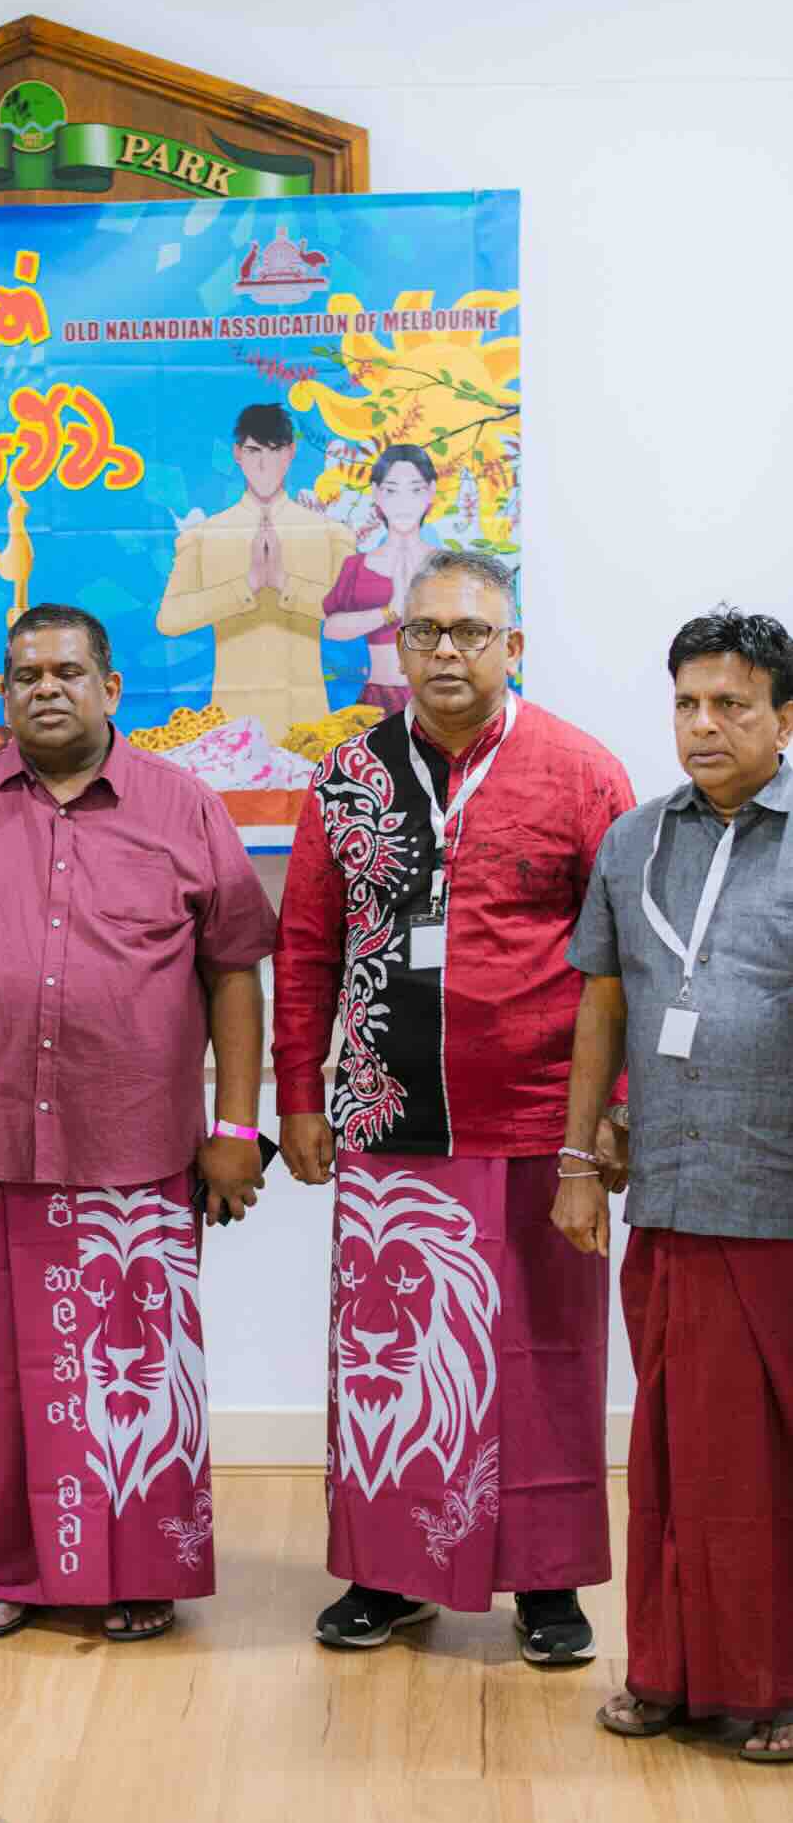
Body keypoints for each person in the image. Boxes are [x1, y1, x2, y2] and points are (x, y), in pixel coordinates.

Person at [0, 602, 275, 1642]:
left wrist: (237, 1123)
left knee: (137, 1368)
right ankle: (11, 1565)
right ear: (3, 690)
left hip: (140, 1147)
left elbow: (235, 975)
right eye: (23, 673)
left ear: (111, 687)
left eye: (66, 671)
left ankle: (142, 1569)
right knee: (2, 1374)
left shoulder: (185, 809)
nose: (43, 688)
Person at [273, 551, 634, 1662]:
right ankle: (390, 1573)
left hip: (539, 1122)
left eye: (470, 632)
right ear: (399, 646)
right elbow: (304, 946)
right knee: (391, 1352)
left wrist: (610, 1112)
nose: (443, 652)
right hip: (390, 1120)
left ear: (511, 646)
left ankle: (548, 1584)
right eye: (423, 632)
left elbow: (629, 963)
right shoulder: (347, 779)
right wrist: (297, 1097)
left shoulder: (581, 773)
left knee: (546, 1355)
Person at [556, 606, 793, 1761]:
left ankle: (776, 1687)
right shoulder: (636, 841)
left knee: (771, 1467)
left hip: (781, 1210)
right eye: (688, 703)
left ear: (784, 719)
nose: (704, 725)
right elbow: (600, 1002)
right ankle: (669, 1671)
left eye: (732, 704)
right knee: (671, 1459)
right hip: (671, 1202)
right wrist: (574, 1160)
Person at [156, 403, 346, 743]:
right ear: (237, 454)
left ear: (291, 453)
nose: (263, 463)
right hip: (232, 725)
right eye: (253, 450)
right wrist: (248, 585)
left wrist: (284, 584)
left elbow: (349, 616)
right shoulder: (203, 536)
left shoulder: (330, 533)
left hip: (308, 723)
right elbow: (169, 619)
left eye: (273, 451)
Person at [321, 443, 439, 712]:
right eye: (392, 490)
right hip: (378, 699)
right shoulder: (357, 566)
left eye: (415, 490)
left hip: (438, 700)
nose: (403, 503)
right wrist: (390, 611)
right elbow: (331, 628)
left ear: (431, 492)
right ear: (376, 494)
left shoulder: (449, 566)